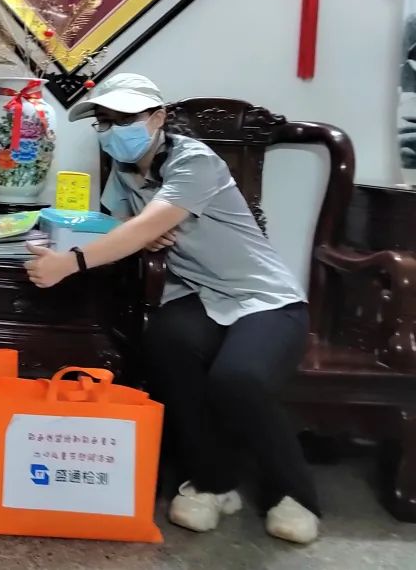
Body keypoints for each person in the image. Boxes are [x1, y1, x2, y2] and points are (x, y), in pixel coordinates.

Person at [24, 74, 320, 545]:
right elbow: (120, 226)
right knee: (165, 343)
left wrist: (71, 262)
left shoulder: (194, 161)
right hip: (196, 296)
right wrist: (137, 231)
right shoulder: (125, 173)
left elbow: (141, 228)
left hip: (263, 298)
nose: (114, 130)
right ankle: (213, 482)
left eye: (126, 118)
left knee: (238, 379)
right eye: (106, 121)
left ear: (159, 117)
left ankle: (292, 492)